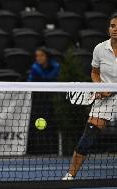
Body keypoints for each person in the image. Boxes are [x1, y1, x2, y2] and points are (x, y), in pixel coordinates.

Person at [62, 13, 117, 180]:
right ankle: (70, 176)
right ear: (108, 29)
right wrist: (100, 87)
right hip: (105, 99)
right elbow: (94, 72)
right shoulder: (100, 49)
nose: (115, 29)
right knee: (88, 137)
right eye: (113, 26)